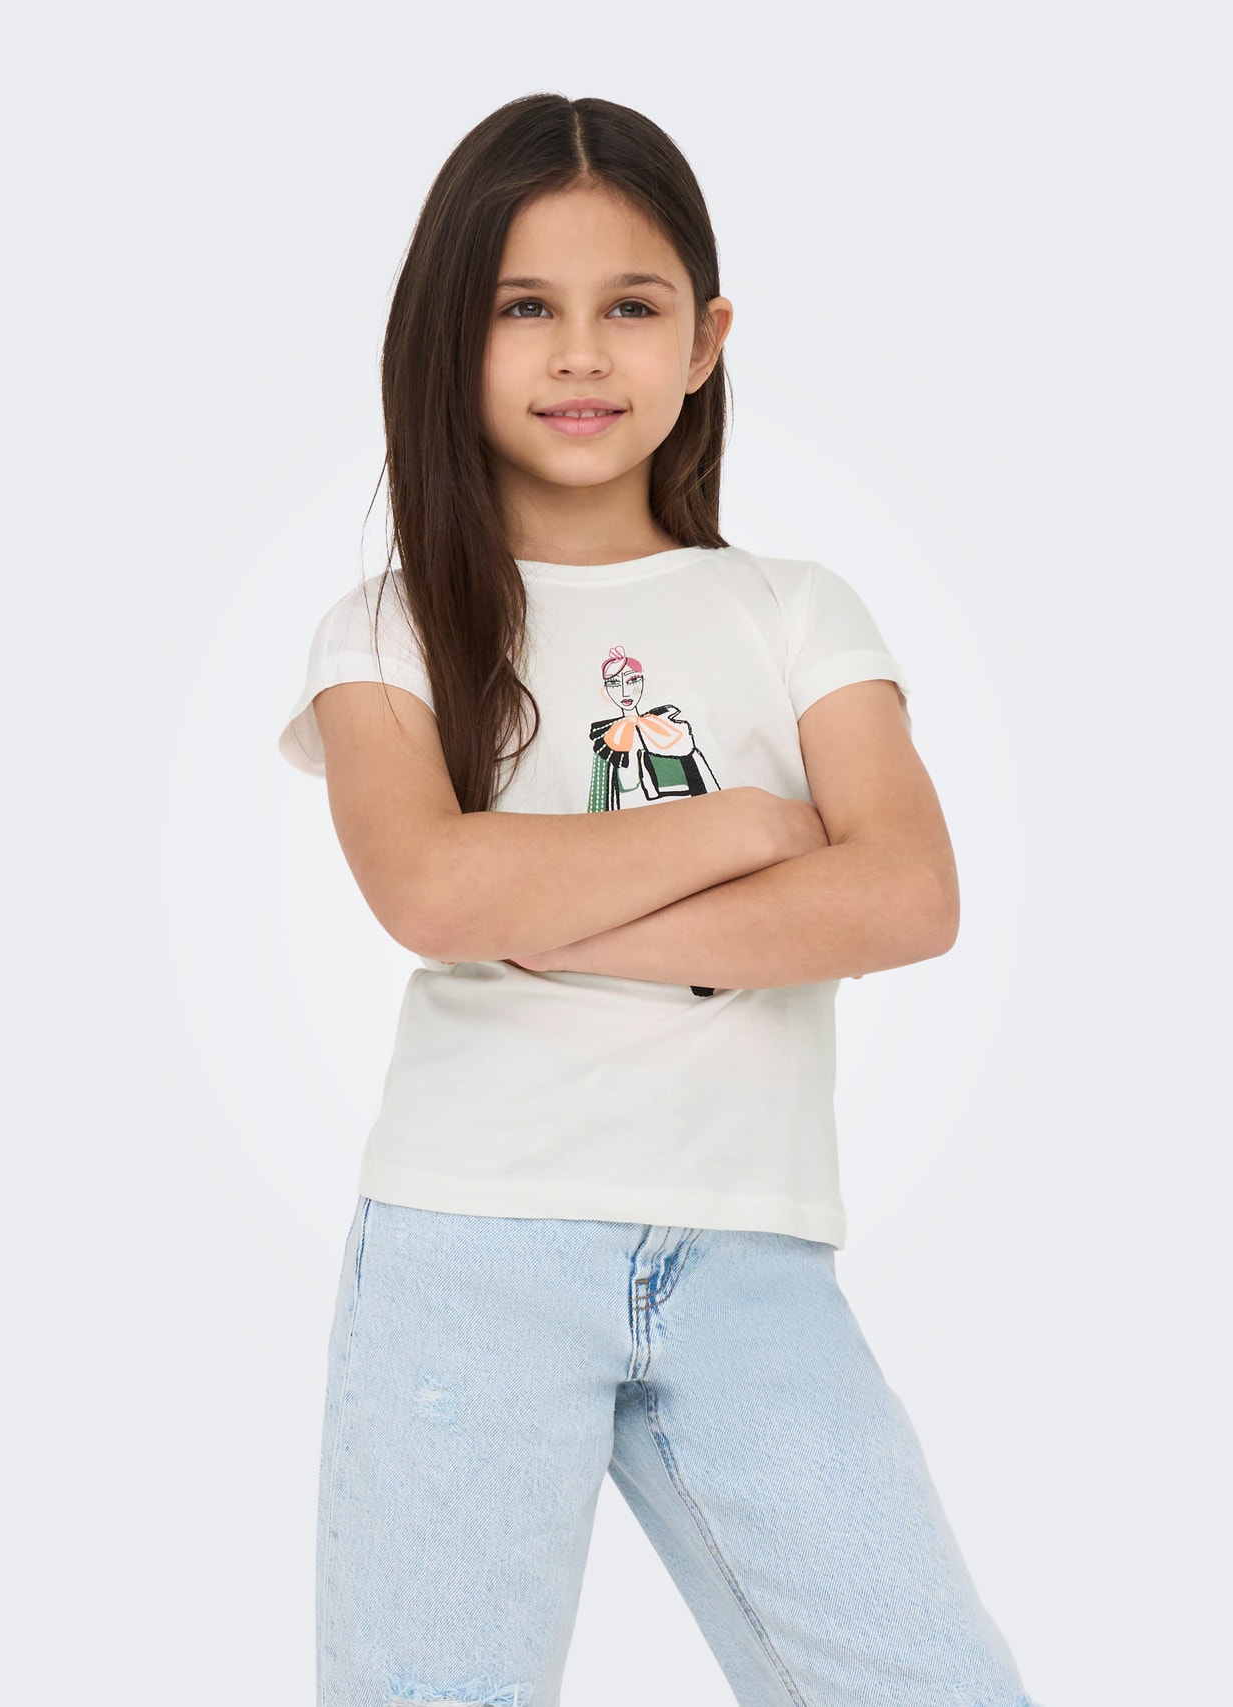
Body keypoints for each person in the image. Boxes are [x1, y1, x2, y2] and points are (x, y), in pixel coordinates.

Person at [278, 92, 1041, 1707]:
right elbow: (430, 886)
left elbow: (906, 895)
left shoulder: (794, 612)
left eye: (629, 306)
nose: (580, 353)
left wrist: (545, 916)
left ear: (706, 339)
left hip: (752, 1261)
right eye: (523, 308)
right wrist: (753, 825)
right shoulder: (388, 630)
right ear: (448, 335)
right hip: (473, 1250)